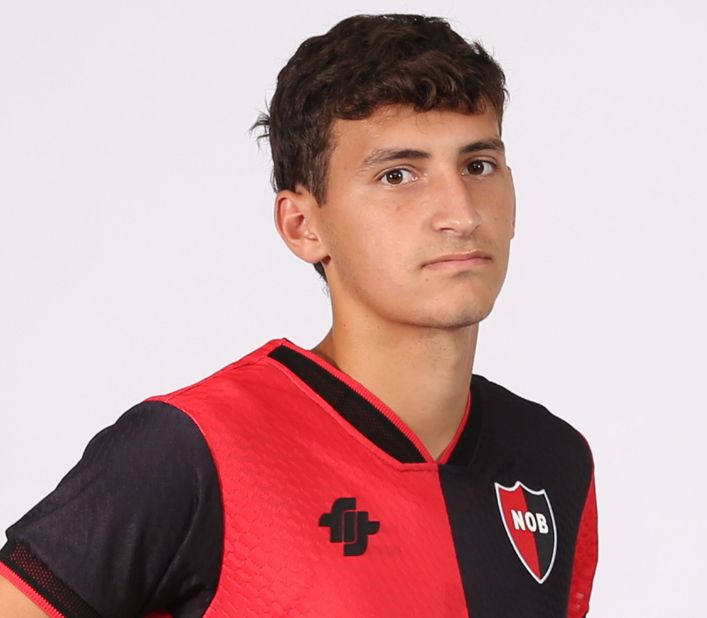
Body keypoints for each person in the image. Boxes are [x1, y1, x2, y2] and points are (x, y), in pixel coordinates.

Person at [0, 13, 598, 618]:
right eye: (398, 175)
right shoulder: (191, 451)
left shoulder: (552, 460)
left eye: (478, 165)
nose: (461, 214)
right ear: (303, 225)